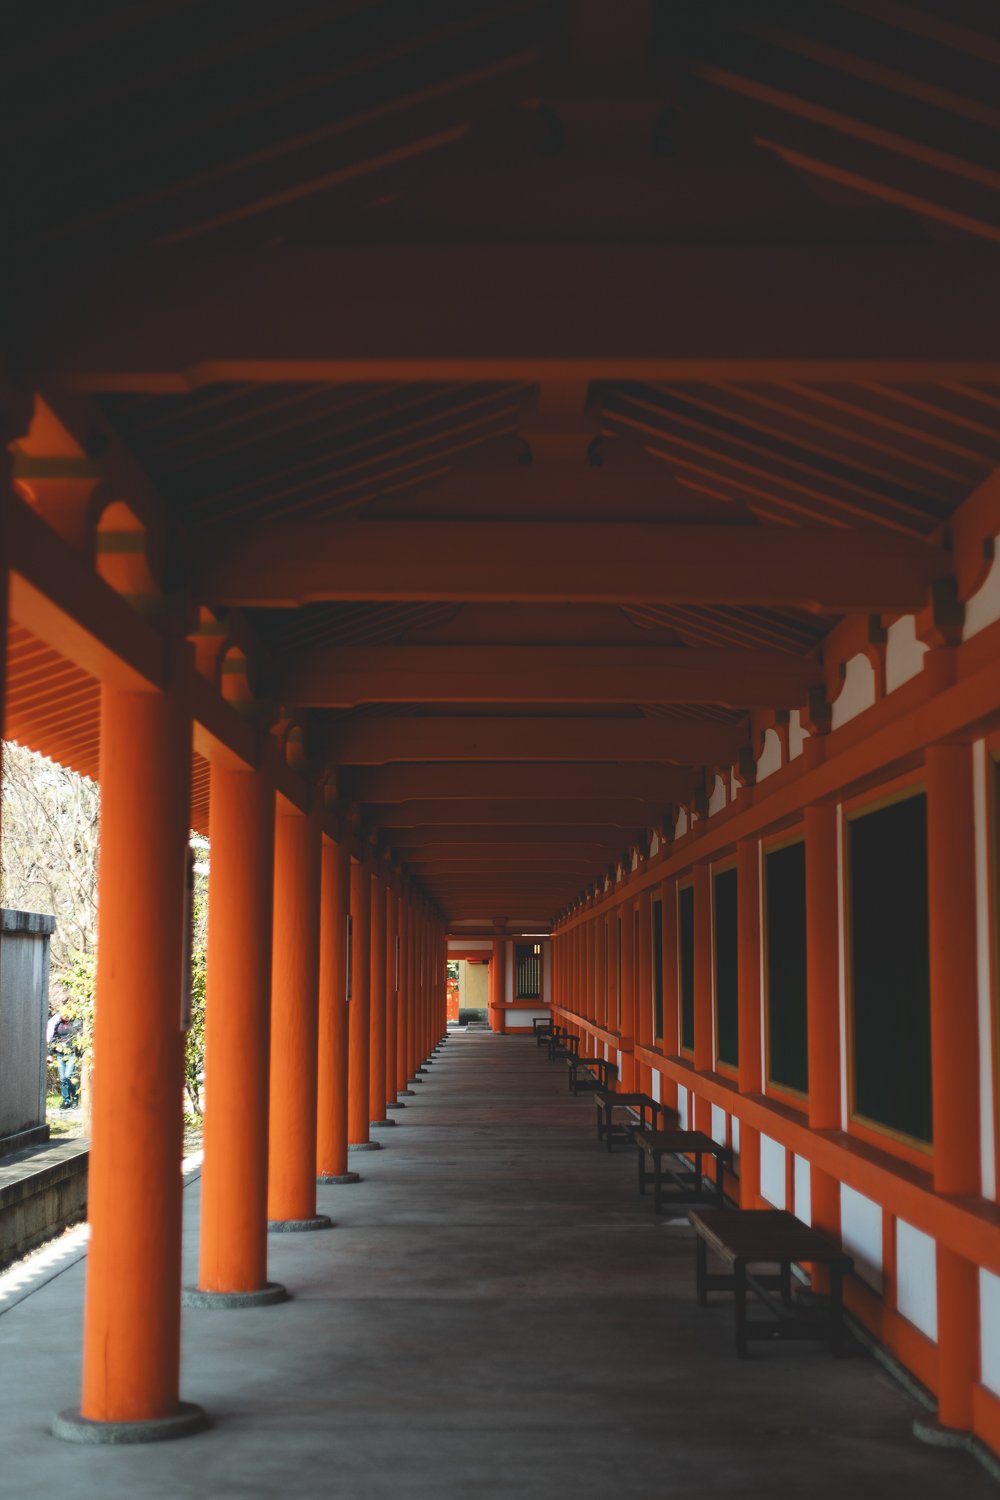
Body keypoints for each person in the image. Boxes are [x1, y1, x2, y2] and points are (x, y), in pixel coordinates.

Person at [47, 1009, 82, 1109]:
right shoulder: (58, 1024)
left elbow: (78, 1038)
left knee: (68, 1076)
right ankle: (66, 1101)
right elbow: (53, 1039)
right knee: (63, 1079)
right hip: (60, 1054)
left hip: (71, 1054)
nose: (64, 1015)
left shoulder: (76, 1023)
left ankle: (75, 1099)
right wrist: (49, 1054)